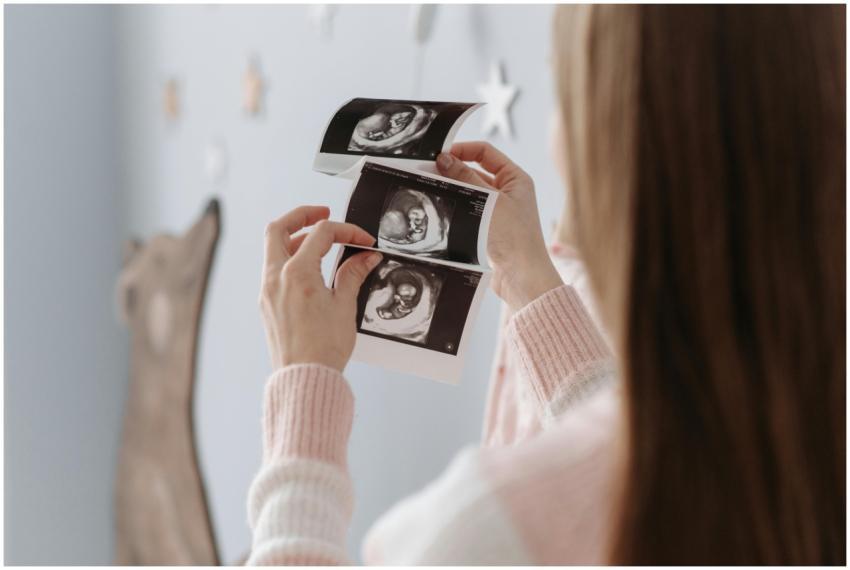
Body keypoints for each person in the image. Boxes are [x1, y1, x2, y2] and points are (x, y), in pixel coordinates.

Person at [249, 5, 844, 565]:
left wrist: (305, 387)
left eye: (564, 91)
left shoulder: (482, 529)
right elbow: (633, 447)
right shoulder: (804, 445)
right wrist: (526, 275)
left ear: (618, 141)